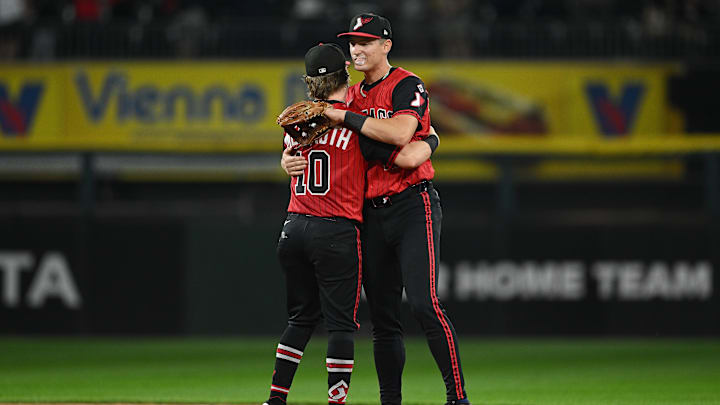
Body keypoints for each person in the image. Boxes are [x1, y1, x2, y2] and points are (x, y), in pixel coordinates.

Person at [265, 42, 436, 405]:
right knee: (341, 326)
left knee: (299, 320)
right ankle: (336, 401)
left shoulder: (297, 126)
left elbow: (292, 154)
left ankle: (276, 399)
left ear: (309, 82)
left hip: (293, 227)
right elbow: (404, 156)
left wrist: (285, 160)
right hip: (336, 229)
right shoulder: (359, 125)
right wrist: (432, 140)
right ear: (347, 73)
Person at [326, 13, 470, 405]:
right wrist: (289, 160)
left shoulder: (407, 83)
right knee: (384, 320)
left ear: (386, 45)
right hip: (370, 212)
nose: (356, 49)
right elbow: (322, 146)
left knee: (424, 303)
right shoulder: (352, 95)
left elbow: (401, 135)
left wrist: (345, 118)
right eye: (353, 42)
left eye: (365, 42)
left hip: (411, 204)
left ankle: (457, 398)